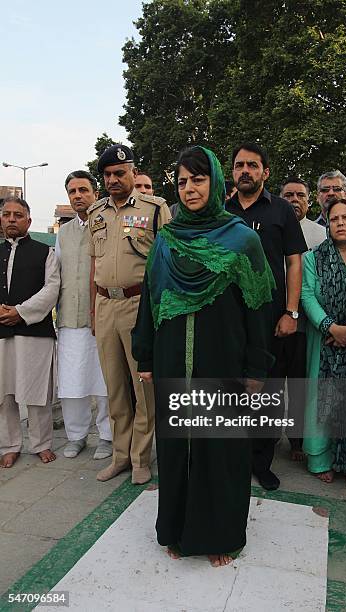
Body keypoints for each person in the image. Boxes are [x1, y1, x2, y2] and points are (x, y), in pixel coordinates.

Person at [132, 146, 275, 566]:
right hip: (173, 357)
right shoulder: (167, 239)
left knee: (220, 451)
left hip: (223, 359)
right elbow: (151, 302)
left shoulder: (242, 239)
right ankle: (178, 529)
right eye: (181, 181)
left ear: (214, 182)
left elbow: (258, 306)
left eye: (198, 179)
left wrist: (256, 365)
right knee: (179, 448)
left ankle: (220, 535)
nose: (189, 188)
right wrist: (145, 358)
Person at [88, 144, 171, 483]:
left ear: (133, 173)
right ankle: (120, 455)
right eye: (107, 175)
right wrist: (93, 312)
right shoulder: (96, 212)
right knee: (115, 387)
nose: (113, 179)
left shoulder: (155, 208)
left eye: (119, 173)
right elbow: (94, 265)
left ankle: (140, 459)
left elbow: (167, 264)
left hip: (141, 307)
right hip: (105, 304)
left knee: (142, 387)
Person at [226, 143, 307, 488]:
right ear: (232, 172)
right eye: (240, 165)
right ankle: (232, 460)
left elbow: (294, 262)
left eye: (253, 165)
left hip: (271, 319)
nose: (246, 170)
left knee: (267, 392)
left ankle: (261, 463)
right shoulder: (221, 211)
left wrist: (291, 311)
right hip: (228, 318)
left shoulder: (282, 211)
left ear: (265, 172)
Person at [301, 198, 346, 484]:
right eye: (334, 219)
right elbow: (306, 294)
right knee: (323, 398)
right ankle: (321, 459)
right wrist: (331, 327)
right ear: (327, 224)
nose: (340, 223)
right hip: (324, 340)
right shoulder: (313, 257)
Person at [0, 197, 60, 468]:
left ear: (29, 221)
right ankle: (10, 445)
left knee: (37, 393)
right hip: (2, 335)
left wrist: (20, 312)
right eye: (7, 214)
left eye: (18, 215)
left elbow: (51, 289)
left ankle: (41, 444)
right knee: (4, 394)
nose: (12, 219)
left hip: (34, 332)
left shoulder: (45, 253)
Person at [56, 170, 111, 460]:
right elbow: (54, 277)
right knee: (72, 382)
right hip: (69, 319)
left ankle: (107, 436)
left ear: (95, 193)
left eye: (83, 190)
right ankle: (76, 436)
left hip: (103, 317)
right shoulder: (63, 233)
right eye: (72, 191)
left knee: (104, 381)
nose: (78, 196)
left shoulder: (107, 225)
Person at [280, 177, 325, 460]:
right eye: (288, 195)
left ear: (309, 200)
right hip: (273, 319)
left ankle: (296, 441)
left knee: (299, 383)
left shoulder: (320, 235)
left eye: (300, 195)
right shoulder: (273, 226)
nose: (294, 200)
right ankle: (267, 436)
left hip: (304, 323)